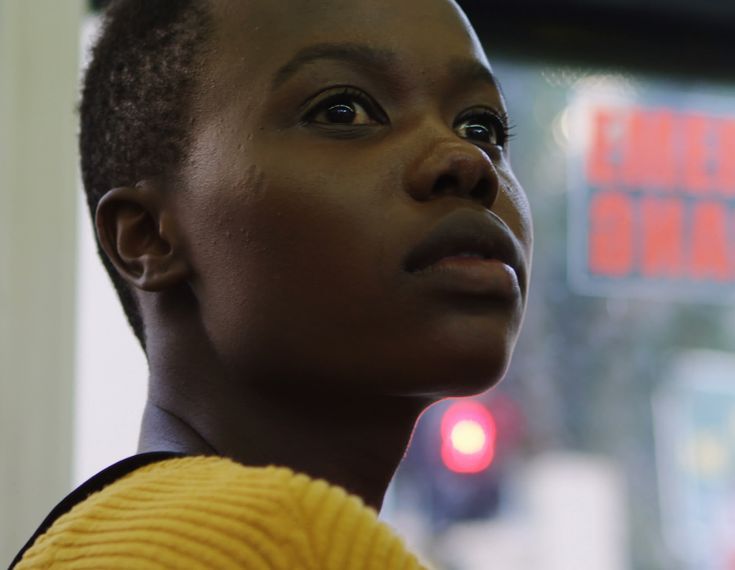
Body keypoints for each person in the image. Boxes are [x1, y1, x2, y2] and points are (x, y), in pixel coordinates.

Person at [11, 0, 531, 567]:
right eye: (343, 112)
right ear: (147, 238)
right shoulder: (283, 541)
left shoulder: (97, 542)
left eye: (483, 127)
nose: (467, 160)